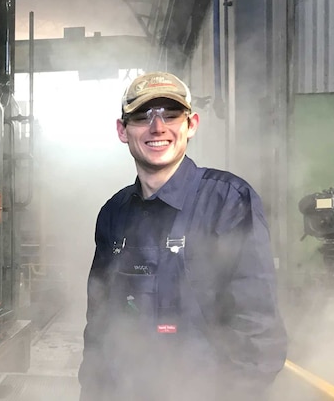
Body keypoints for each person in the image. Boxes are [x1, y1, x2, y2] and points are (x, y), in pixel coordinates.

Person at [78, 71, 287, 401]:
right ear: (122, 130)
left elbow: (256, 330)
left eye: (170, 114)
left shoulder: (228, 202)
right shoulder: (113, 214)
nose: (157, 127)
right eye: (142, 116)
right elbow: (100, 325)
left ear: (191, 125)